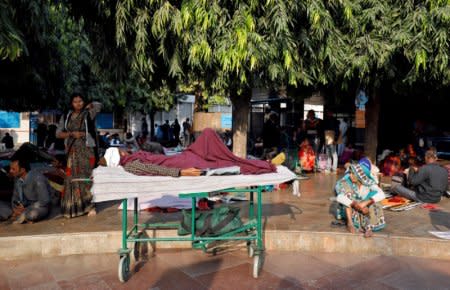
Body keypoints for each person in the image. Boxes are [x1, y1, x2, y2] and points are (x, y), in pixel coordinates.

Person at [56, 93, 102, 218]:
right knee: (72, 178)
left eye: (81, 101)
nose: (78, 103)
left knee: (87, 178)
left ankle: (90, 206)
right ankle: (74, 207)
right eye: (75, 101)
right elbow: (58, 134)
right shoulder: (66, 116)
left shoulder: (88, 113)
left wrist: (90, 105)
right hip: (71, 152)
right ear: (71, 103)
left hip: (87, 151)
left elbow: (99, 106)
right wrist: (72, 134)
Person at [335, 163, 386, 237]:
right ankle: (350, 223)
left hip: (363, 208)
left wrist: (366, 203)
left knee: (375, 201)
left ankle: (368, 228)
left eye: (353, 174)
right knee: (348, 194)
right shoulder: (345, 182)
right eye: (350, 173)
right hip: (350, 208)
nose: (350, 175)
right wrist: (355, 204)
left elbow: (382, 194)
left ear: (359, 176)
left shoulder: (368, 183)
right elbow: (340, 197)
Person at [0, 158, 52, 223]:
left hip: (39, 207)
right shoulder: (17, 179)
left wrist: (27, 208)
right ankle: (18, 215)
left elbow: (45, 200)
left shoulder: (37, 178)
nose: (10, 171)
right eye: (11, 169)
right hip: (24, 207)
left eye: (13, 169)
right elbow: (15, 196)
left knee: (32, 214)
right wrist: (16, 208)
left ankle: (22, 216)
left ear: (22, 170)